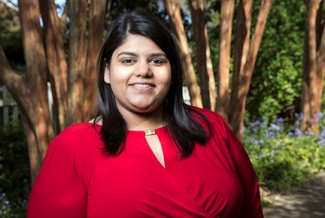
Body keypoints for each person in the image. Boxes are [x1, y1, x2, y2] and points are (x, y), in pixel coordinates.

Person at [27, 10, 264, 218]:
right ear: (107, 72)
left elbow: (252, 208)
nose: (143, 70)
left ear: (171, 72)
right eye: (128, 60)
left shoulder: (212, 126)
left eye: (157, 61)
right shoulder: (73, 146)